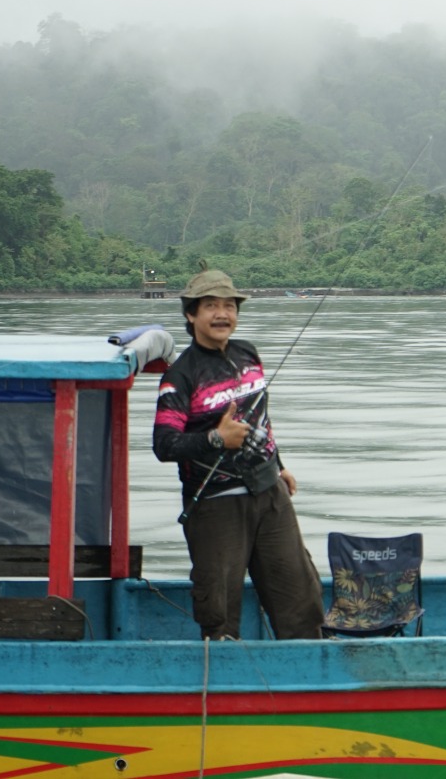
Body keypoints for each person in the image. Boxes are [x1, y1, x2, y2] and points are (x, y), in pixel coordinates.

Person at [153, 269, 324, 639]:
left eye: (229, 306)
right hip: (215, 503)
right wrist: (217, 439)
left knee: (301, 597)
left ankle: (308, 678)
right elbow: (164, 445)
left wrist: (278, 464)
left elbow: (261, 415)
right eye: (211, 306)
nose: (222, 314)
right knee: (219, 611)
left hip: (269, 494)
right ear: (191, 315)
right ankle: (223, 680)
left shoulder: (248, 353)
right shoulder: (180, 376)